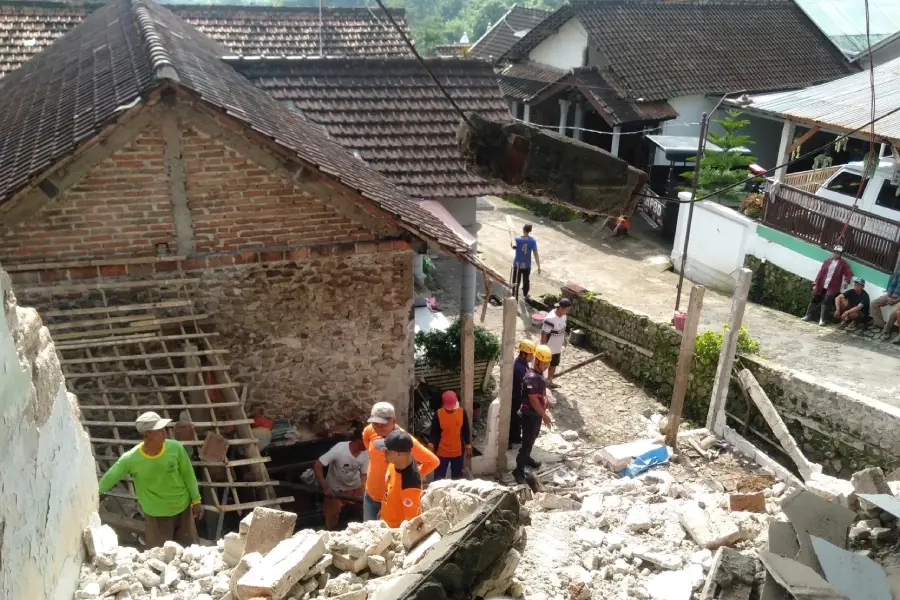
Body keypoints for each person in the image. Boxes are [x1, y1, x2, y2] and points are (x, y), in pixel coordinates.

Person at [98, 412, 203, 548]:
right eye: (159, 431)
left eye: (164, 430)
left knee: (190, 550)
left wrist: (196, 500)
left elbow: (188, 474)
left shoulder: (175, 448)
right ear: (147, 436)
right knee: (159, 554)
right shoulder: (130, 459)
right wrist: (94, 495)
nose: (164, 433)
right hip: (156, 514)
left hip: (182, 509)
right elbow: (110, 478)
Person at [362, 402, 439, 522]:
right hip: (370, 496)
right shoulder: (371, 431)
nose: (378, 427)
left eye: (383, 424)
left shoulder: (405, 442)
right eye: (375, 423)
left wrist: (412, 474)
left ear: (393, 421)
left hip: (390, 501)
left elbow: (433, 461)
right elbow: (365, 436)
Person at [513, 344, 554, 485]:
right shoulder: (530, 377)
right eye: (545, 363)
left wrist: (546, 399)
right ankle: (518, 470)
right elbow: (533, 400)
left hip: (535, 415)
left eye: (549, 363)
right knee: (526, 443)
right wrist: (545, 415)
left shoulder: (539, 375)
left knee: (532, 440)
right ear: (537, 361)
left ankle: (527, 458)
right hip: (529, 416)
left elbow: (540, 393)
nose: (547, 366)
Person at [313, 427, 369, 529]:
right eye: (366, 441)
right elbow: (317, 465)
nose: (369, 444)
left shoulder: (366, 453)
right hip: (336, 489)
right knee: (332, 519)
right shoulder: (339, 449)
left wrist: (365, 493)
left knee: (361, 515)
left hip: (355, 488)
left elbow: (363, 475)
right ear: (357, 441)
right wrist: (325, 487)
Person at [378, 430, 423, 528]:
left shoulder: (410, 485)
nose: (382, 453)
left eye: (386, 451)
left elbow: (412, 523)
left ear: (398, 454)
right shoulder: (395, 463)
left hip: (393, 531)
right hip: (384, 521)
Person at [802, 245, 852, 326]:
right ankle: (808, 316)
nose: (837, 254)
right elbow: (820, 274)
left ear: (841, 254)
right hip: (822, 284)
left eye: (839, 253)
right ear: (833, 252)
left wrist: (846, 281)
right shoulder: (827, 262)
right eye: (835, 252)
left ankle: (822, 319)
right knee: (815, 299)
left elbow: (848, 273)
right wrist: (815, 284)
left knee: (826, 301)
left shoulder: (843, 264)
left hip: (832, 287)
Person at [428, 391, 472, 480]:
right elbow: (434, 433)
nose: (452, 410)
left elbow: (466, 430)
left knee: (457, 477)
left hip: (458, 451)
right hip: (442, 451)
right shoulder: (438, 414)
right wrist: (431, 446)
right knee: (439, 478)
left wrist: (468, 446)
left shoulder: (462, 412)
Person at [541, 297, 571, 387]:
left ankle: (549, 382)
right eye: (567, 310)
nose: (568, 312)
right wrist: (543, 348)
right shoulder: (550, 319)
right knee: (543, 366)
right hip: (549, 348)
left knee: (553, 365)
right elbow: (544, 334)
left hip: (557, 348)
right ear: (561, 308)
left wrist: (564, 340)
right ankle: (537, 382)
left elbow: (562, 329)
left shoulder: (564, 316)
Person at [510, 339, 535, 447]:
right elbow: (526, 385)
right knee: (514, 419)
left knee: (517, 419)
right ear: (524, 354)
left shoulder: (522, 362)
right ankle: (509, 440)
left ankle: (515, 437)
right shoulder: (520, 368)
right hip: (516, 397)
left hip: (517, 395)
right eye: (531, 354)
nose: (533, 356)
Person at [511, 223, 541, 301]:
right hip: (527, 265)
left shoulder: (517, 239)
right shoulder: (533, 241)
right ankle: (525, 295)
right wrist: (538, 266)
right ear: (530, 231)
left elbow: (512, 246)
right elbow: (535, 254)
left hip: (517, 264)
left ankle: (514, 297)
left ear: (523, 229)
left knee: (516, 281)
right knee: (526, 280)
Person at [872, 269, 900, 339]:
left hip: (899, 299)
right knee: (874, 303)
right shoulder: (899, 271)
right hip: (892, 295)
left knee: (894, 312)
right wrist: (888, 296)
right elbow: (892, 285)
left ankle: (886, 331)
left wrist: (896, 301)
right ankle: (881, 325)